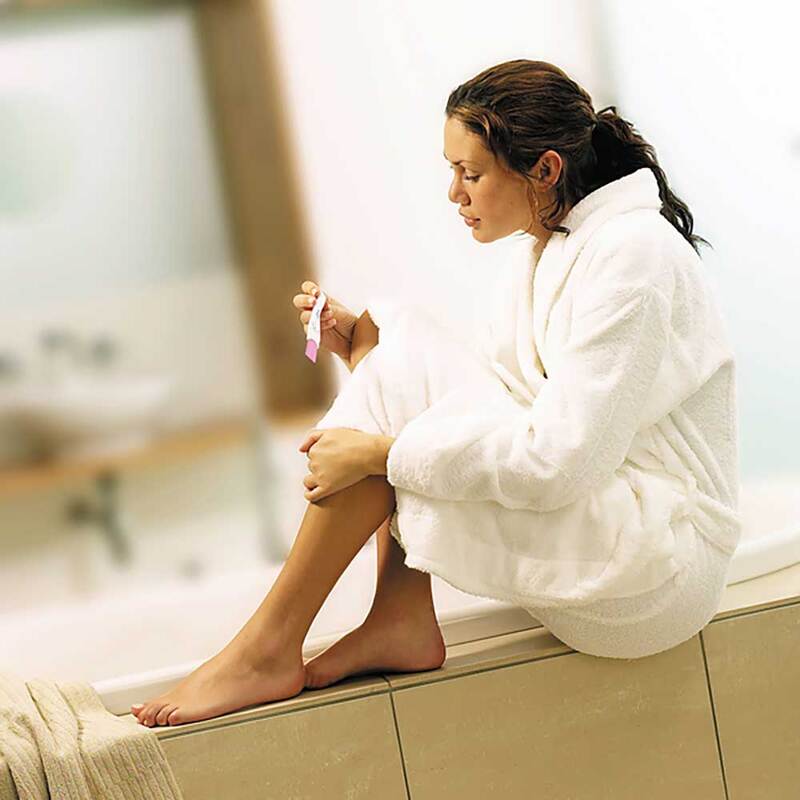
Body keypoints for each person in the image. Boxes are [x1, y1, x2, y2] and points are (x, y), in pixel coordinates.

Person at [131, 59, 739, 728]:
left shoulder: (632, 257)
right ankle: (397, 614)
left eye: (470, 174)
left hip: (660, 573)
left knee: (394, 403)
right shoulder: (547, 249)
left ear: (545, 170)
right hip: (611, 536)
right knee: (394, 342)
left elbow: (559, 462)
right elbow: (493, 402)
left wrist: (382, 456)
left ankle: (269, 647)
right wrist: (359, 349)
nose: (454, 193)